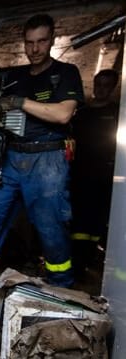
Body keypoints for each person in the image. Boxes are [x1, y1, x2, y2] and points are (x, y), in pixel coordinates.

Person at [0, 13, 84, 301]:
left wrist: (21, 102)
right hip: (8, 159)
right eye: (29, 43)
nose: (35, 49)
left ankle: (61, 288)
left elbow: (63, 114)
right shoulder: (12, 76)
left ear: (52, 40)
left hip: (47, 160)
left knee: (51, 228)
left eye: (41, 42)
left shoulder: (66, 73)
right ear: (24, 43)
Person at [70, 69, 120, 277]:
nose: (101, 89)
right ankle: (76, 263)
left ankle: (87, 260)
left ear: (114, 87)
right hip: (80, 175)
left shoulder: (118, 114)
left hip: (105, 176)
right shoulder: (82, 113)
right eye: (99, 84)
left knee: (96, 222)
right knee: (77, 221)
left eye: (107, 85)